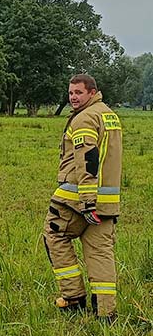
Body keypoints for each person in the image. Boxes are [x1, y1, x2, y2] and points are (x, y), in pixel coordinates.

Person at [43, 74, 122, 319]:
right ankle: (105, 312)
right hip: (108, 200)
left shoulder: (85, 119)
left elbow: (87, 160)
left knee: (54, 236)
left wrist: (87, 202)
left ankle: (73, 297)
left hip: (77, 198)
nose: (73, 98)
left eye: (78, 93)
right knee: (100, 252)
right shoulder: (109, 115)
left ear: (92, 92)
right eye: (70, 93)